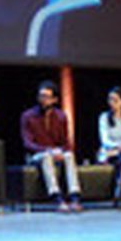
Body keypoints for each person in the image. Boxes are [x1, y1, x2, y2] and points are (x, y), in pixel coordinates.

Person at [20, 80, 82, 212]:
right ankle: (57, 197)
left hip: (56, 152)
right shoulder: (28, 116)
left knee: (69, 156)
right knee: (46, 157)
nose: (43, 100)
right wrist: (48, 150)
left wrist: (61, 151)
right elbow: (28, 143)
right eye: (41, 96)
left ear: (54, 100)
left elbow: (66, 142)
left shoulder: (61, 116)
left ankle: (74, 196)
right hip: (36, 155)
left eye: (47, 97)